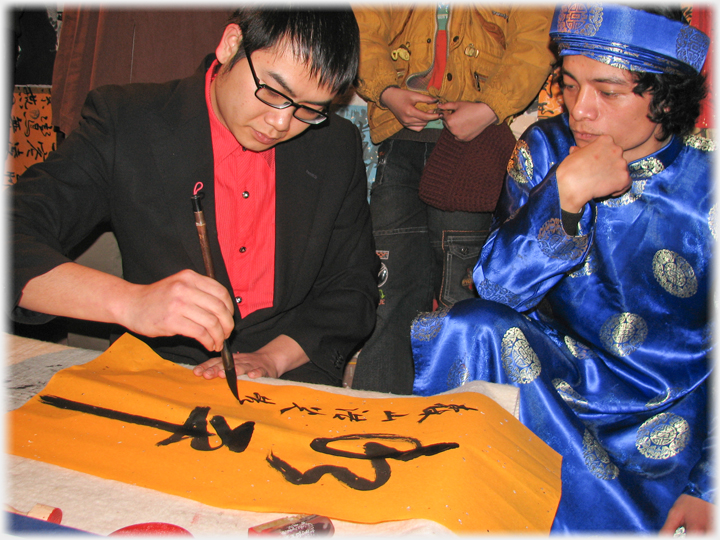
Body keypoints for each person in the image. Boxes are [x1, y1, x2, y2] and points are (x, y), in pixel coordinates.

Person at [411, 3, 713, 533]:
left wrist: (708, 484)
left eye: (608, 91)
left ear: (665, 95)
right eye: (570, 85)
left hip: (675, 404)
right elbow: (496, 291)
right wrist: (564, 195)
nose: (580, 110)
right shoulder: (546, 148)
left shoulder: (707, 184)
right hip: (564, 379)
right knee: (469, 325)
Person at [10, 6, 379, 388]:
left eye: (309, 109)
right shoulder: (127, 121)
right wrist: (131, 303)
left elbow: (352, 289)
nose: (282, 122)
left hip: (290, 378)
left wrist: (272, 358)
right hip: (161, 376)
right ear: (231, 44)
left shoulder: (335, 146)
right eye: (272, 92)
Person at [350, 4, 555, 394]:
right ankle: (376, 414)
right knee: (386, 292)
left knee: (459, 294)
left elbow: (534, 39)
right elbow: (364, 30)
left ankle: (456, 415)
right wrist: (387, 92)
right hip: (399, 137)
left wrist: (491, 106)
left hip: (474, 144)